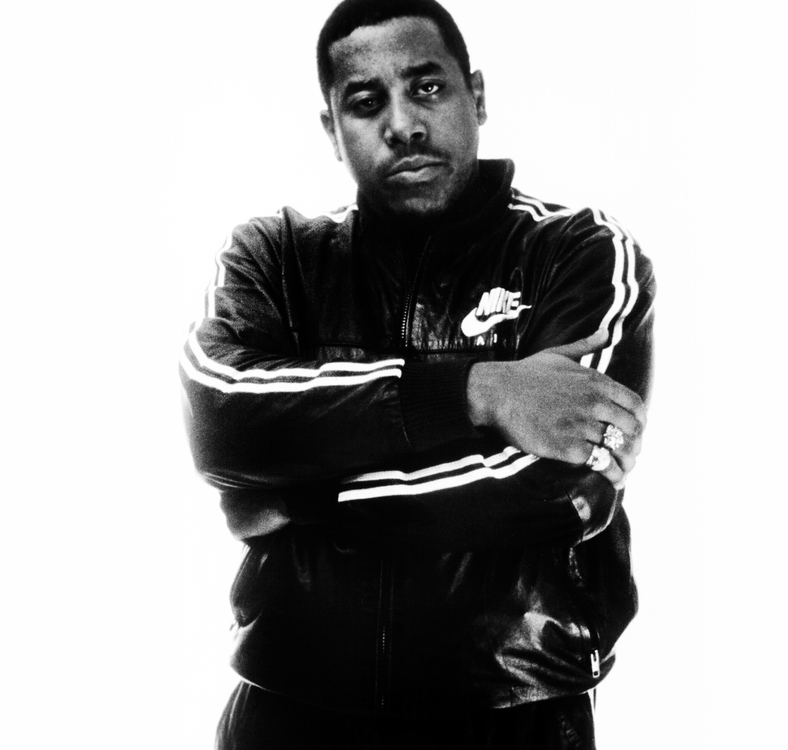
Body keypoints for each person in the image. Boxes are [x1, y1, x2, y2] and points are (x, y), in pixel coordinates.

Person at [179, 0, 655, 746]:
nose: (402, 124)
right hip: (287, 709)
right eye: (366, 103)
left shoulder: (577, 251)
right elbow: (223, 419)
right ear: (332, 130)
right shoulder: (275, 256)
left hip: (513, 710)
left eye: (427, 87)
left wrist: (302, 497)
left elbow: (556, 484)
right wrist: (477, 392)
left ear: (478, 96)